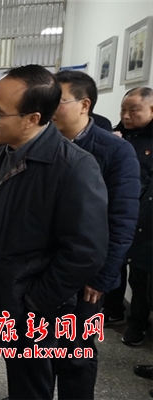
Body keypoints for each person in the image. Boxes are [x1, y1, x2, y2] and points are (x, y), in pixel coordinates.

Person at [0, 65, 108, 400]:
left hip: (26, 307)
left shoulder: (73, 167)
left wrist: (34, 302)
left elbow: (85, 253)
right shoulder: (0, 155)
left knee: (29, 389)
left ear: (32, 118)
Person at [51, 70, 141, 399]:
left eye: (57, 101)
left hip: (86, 275)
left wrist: (102, 277)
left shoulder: (115, 152)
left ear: (84, 104)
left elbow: (122, 220)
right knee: (39, 345)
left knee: (76, 351)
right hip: (44, 268)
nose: (48, 108)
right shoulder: (44, 144)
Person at [103, 87, 153, 346]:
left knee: (141, 273)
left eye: (133, 110)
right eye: (123, 110)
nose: (126, 115)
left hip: (145, 216)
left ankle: (137, 324)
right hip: (116, 212)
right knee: (114, 262)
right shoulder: (117, 135)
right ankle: (113, 309)